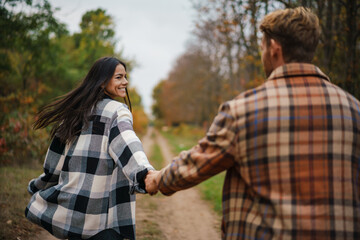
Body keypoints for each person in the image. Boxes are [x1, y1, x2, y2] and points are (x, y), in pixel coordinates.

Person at [146, 7, 360, 239]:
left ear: (274, 48)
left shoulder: (243, 110)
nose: (262, 54)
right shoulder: (354, 109)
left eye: (262, 47)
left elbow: (198, 161)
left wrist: (159, 178)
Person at [25, 57, 154, 240]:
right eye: (119, 77)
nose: (125, 82)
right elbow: (128, 143)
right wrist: (144, 173)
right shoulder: (117, 111)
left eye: (125, 76)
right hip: (103, 219)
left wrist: (38, 186)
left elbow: (54, 163)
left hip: (74, 213)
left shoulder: (74, 112)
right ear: (102, 82)